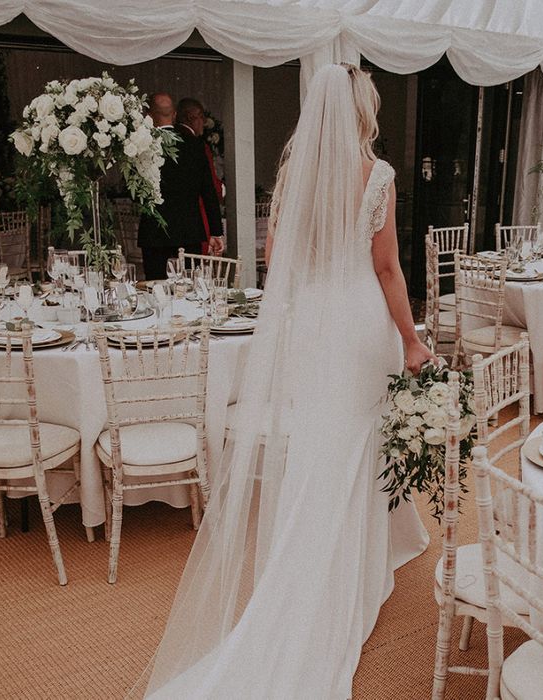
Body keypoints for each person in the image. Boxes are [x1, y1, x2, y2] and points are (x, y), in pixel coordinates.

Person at [140, 64, 435, 699]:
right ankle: (349, 574)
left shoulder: (296, 175)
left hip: (316, 328)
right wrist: (412, 338)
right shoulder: (375, 174)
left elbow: (279, 260)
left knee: (322, 449)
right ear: (360, 108)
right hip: (360, 324)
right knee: (357, 445)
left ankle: (332, 562)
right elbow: (387, 270)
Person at [137, 94, 222, 280]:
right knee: (189, 291)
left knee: (157, 290)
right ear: (174, 115)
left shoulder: (142, 146)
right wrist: (216, 231)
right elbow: (208, 191)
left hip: (155, 234)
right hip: (189, 233)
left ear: (149, 115)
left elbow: (135, 193)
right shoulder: (196, 146)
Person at [175, 97, 224, 256]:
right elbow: (211, 187)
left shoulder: (166, 140)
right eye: (201, 116)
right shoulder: (198, 146)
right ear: (190, 117)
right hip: (196, 216)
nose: (203, 121)